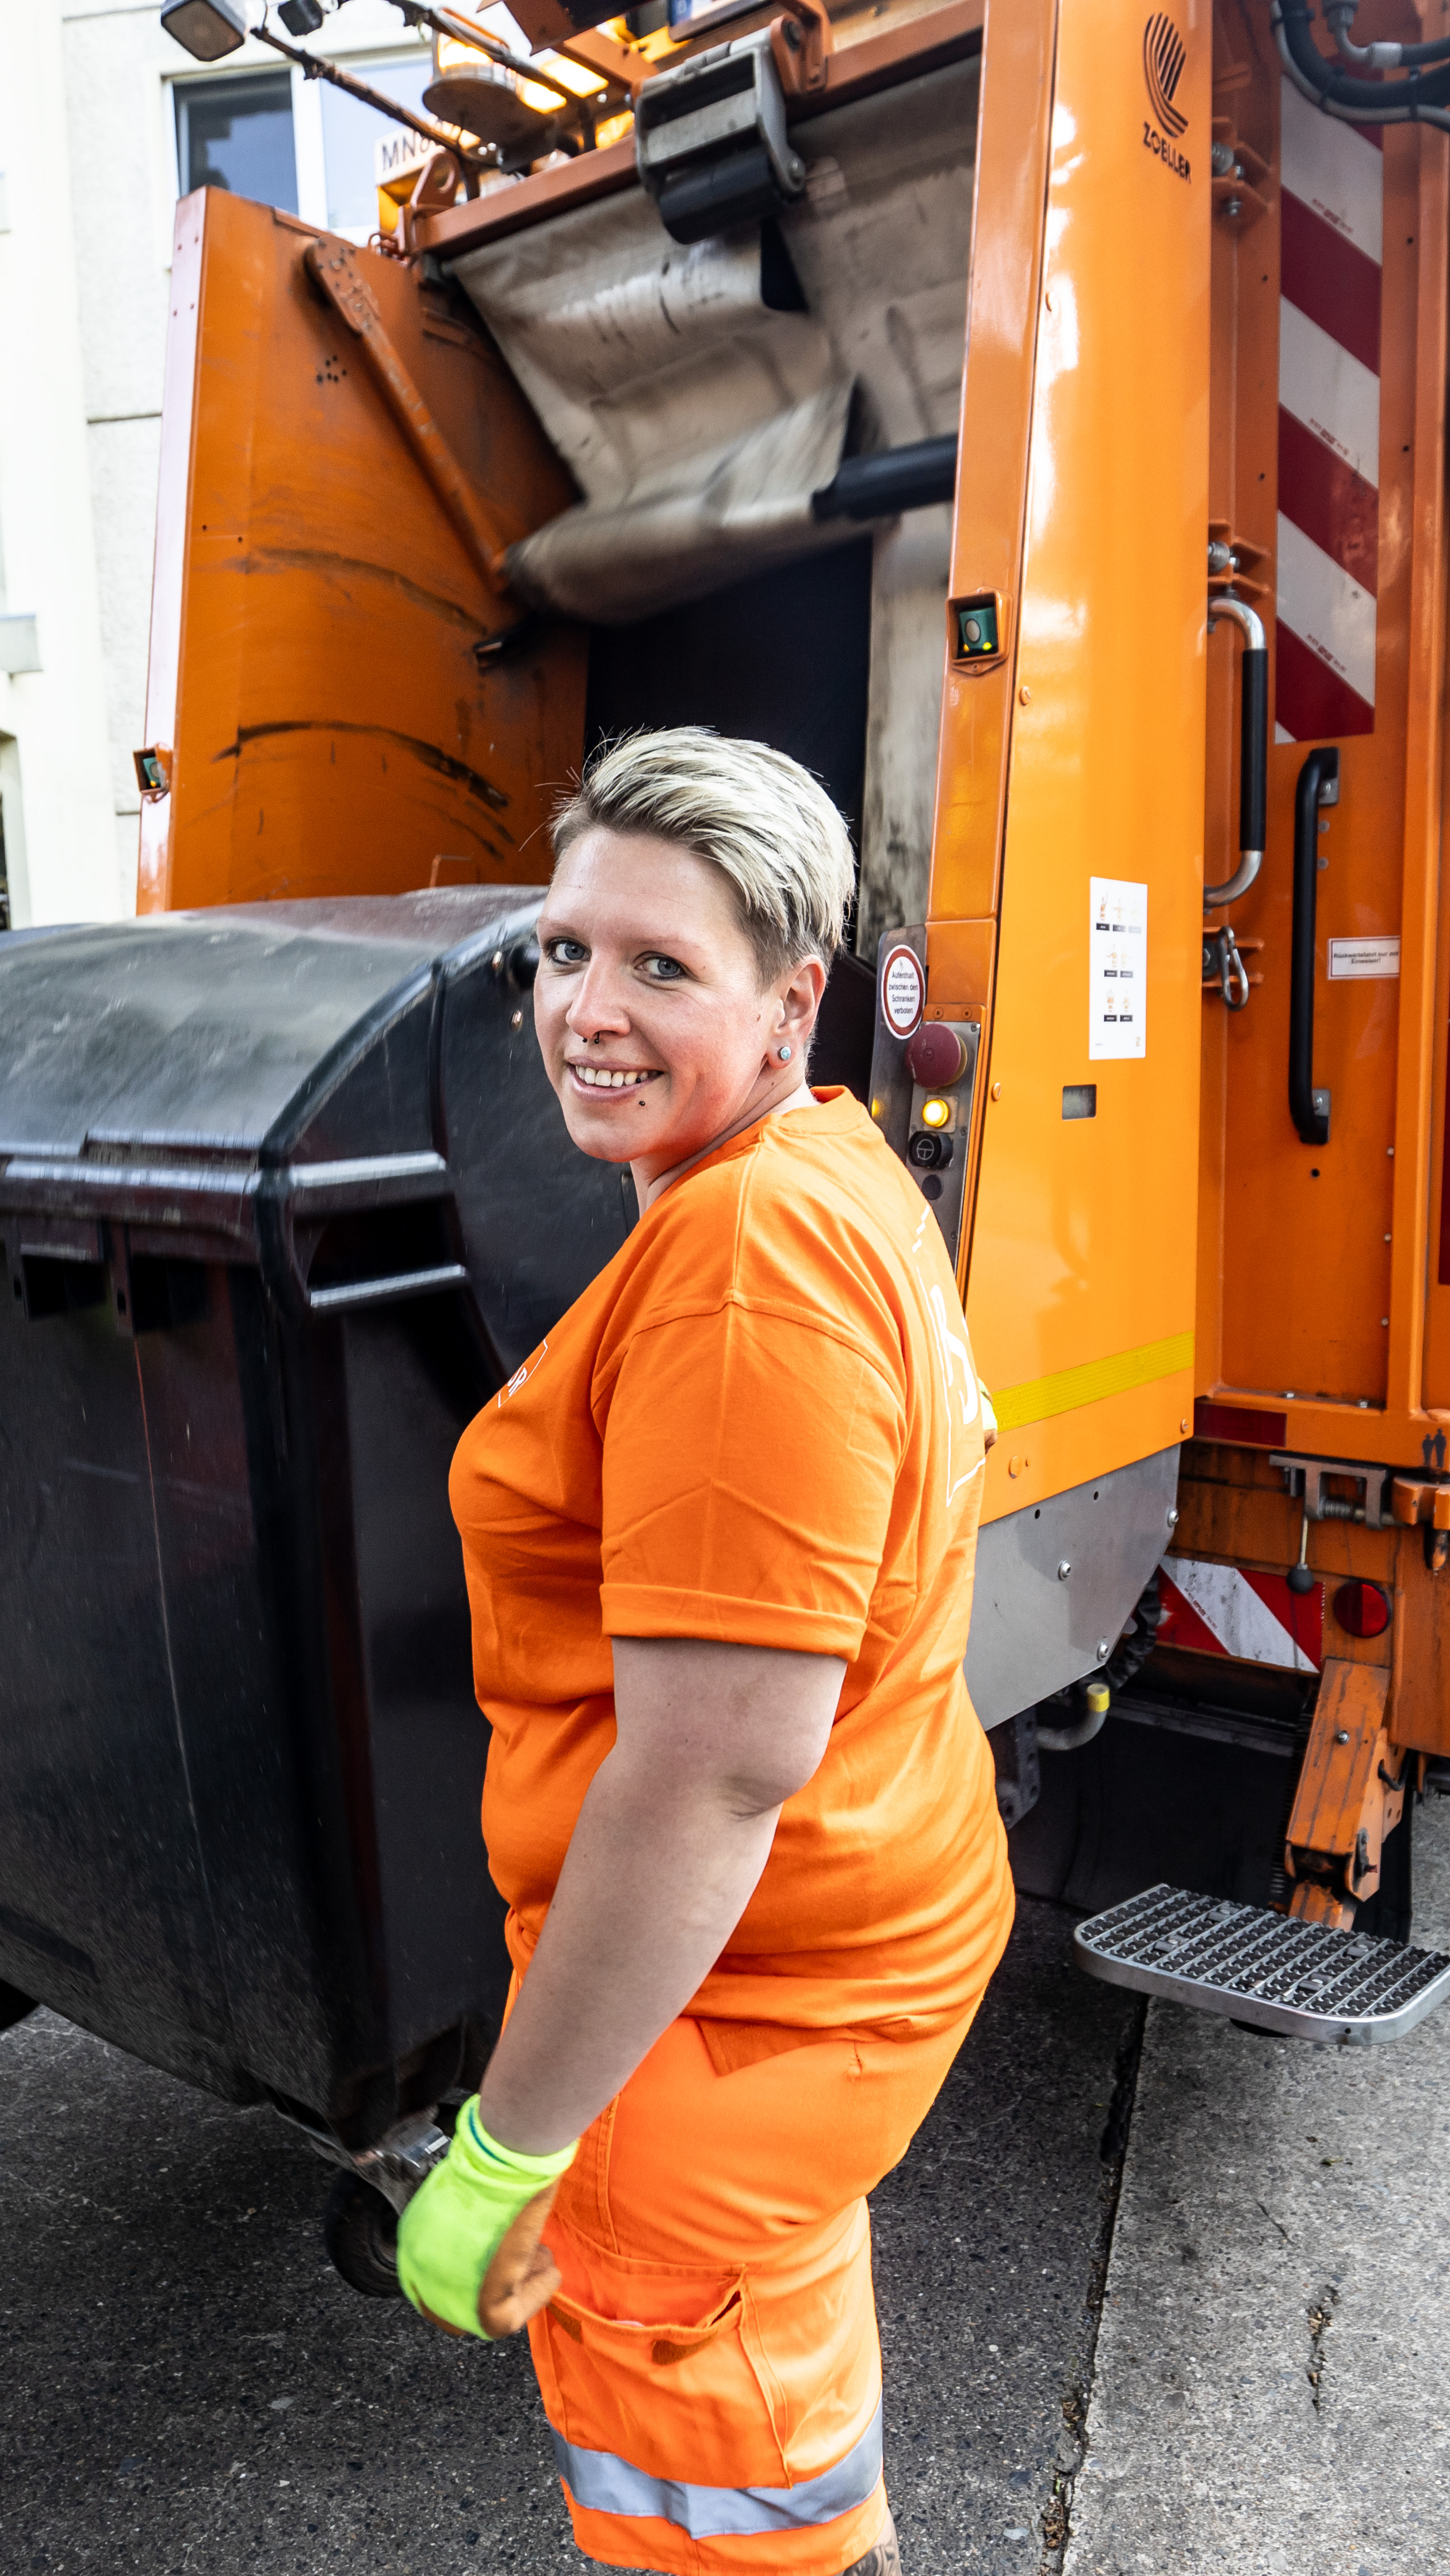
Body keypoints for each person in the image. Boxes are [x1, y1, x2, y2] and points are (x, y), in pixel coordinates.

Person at [402, 732, 1012, 2576]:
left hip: (739, 2013)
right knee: (789, 2453)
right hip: (818, 1969)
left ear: (790, 1000)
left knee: (710, 2518)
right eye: (564, 952)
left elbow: (716, 1768)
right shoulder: (817, 1174)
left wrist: (513, 2149)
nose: (588, 1008)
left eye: (662, 967)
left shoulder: (750, 1268)